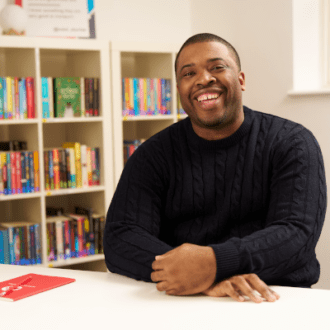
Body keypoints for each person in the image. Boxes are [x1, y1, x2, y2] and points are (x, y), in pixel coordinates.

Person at [103, 33, 327, 303]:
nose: (203, 79)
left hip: (274, 298)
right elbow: (121, 237)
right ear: (179, 90)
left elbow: (296, 235)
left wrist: (213, 264)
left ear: (241, 80)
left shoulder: (293, 142)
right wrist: (195, 277)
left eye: (217, 67)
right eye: (188, 73)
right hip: (183, 298)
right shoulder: (153, 154)